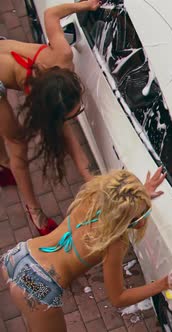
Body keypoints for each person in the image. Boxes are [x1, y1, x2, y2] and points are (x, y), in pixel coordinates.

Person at [1, 167, 172, 331]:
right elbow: (119, 298)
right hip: (38, 287)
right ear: (128, 219)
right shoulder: (114, 242)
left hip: (18, 256)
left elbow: (117, 201)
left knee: (34, 319)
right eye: (143, 214)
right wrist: (163, 284)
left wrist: (139, 195)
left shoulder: (93, 197)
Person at [0, 0, 101, 235]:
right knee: (17, 144)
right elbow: (72, 144)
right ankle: (34, 211)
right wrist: (91, 179)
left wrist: (84, 5)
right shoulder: (39, 95)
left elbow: (51, 13)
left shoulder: (62, 53)